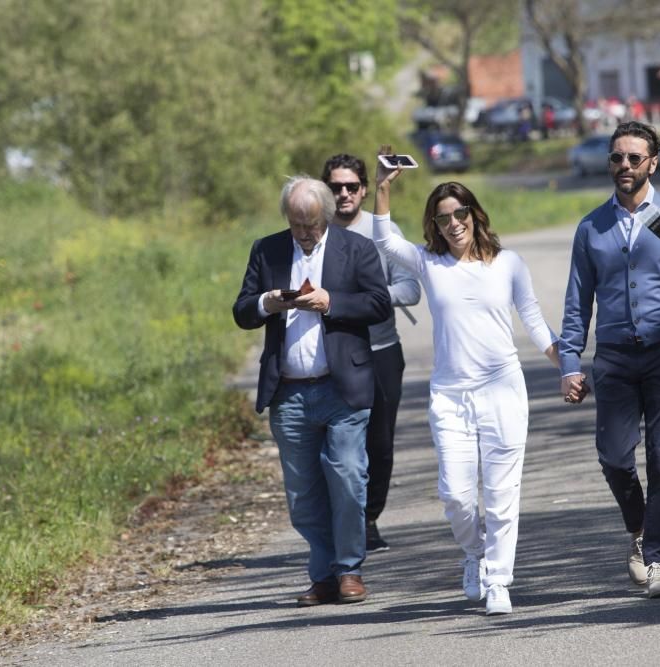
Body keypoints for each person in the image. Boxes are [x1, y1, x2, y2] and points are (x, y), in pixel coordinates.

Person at [373, 144, 559, 616]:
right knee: (456, 495)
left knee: (500, 496)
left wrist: (564, 358)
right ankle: (475, 555)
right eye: (442, 218)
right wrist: (381, 187)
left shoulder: (507, 263)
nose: (453, 223)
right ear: (433, 226)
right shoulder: (429, 264)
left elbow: (532, 317)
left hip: (502, 389)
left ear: (475, 214)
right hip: (451, 395)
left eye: (460, 213)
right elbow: (384, 242)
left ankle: (499, 581)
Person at [559, 121, 660, 599]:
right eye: (616, 158)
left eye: (633, 158)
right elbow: (576, 301)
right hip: (615, 358)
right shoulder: (591, 226)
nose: (623, 166)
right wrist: (569, 362)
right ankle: (641, 528)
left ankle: (659, 562)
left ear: (652, 162)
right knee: (613, 457)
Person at [232, 176, 391, 607]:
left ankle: (349, 570)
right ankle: (322, 575)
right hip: (289, 392)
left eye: (312, 223)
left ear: (326, 214)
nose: (304, 232)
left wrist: (330, 301)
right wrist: (267, 302)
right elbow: (242, 311)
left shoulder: (355, 249)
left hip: (343, 389)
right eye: (296, 223)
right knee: (303, 495)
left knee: (347, 478)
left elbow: (379, 304)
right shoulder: (267, 249)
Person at [321, 154, 422, 551]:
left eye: (351, 187)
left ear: (364, 190)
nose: (343, 194)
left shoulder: (382, 229)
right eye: (335, 187)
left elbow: (411, 289)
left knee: (379, 443)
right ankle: (341, 520)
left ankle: (369, 518)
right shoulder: (314, 231)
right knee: (336, 445)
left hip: (380, 350)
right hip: (330, 352)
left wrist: (367, 301)